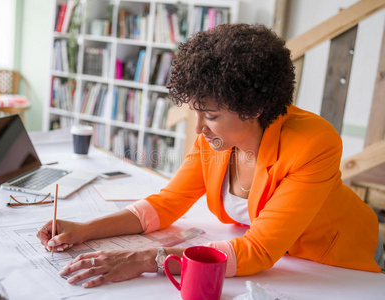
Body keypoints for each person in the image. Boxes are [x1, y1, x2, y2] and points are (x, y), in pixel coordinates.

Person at [37, 24, 383, 288]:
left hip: (331, 266)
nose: (199, 128)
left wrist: (146, 259)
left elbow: (260, 251)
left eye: (212, 116)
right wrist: (85, 230)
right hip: (279, 269)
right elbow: (166, 203)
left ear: (255, 108)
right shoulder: (215, 139)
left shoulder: (313, 143)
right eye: (196, 113)